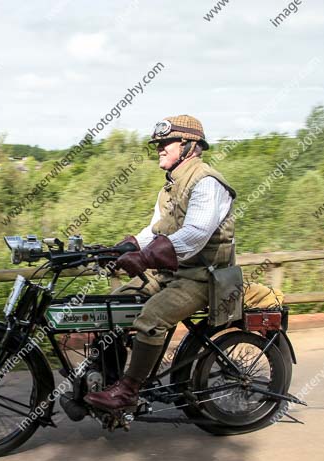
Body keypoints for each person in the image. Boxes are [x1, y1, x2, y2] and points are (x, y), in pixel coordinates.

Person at [84, 115, 237, 412]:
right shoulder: (170, 187)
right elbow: (154, 230)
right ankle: (107, 377)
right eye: (159, 144)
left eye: (167, 143)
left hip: (203, 278)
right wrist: (122, 249)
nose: (160, 148)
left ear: (189, 146)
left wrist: (143, 257)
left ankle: (127, 392)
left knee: (151, 318)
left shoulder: (207, 183)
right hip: (169, 274)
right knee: (111, 307)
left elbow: (194, 235)